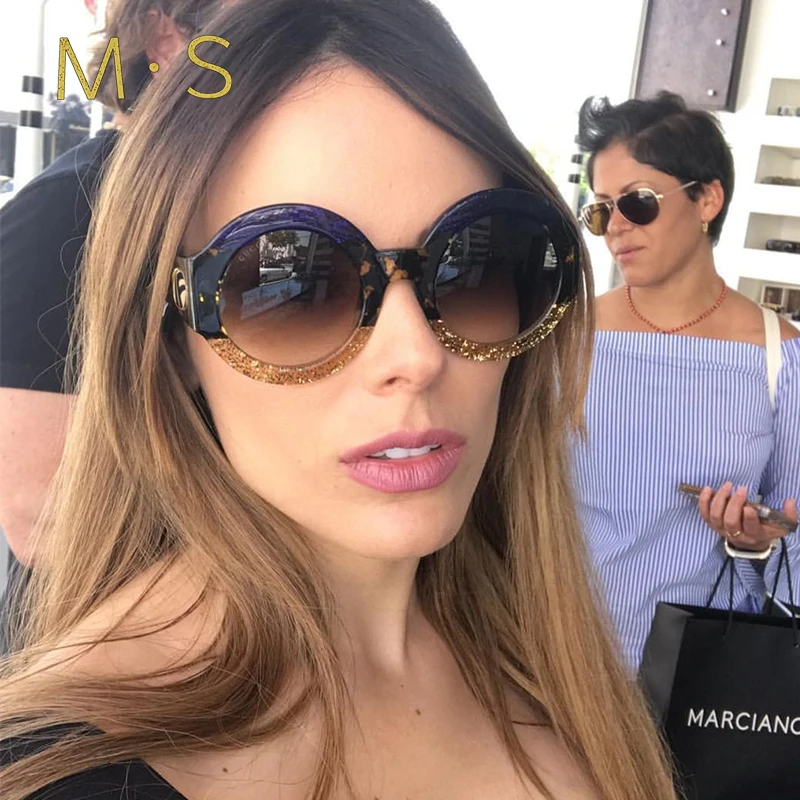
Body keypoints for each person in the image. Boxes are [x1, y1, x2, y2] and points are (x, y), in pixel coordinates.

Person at [0, 2, 679, 798]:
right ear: (171, 338)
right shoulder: (62, 771)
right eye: (294, 283)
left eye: (474, 265)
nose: (416, 357)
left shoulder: (557, 668)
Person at [0, 0, 222, 652]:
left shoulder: (225, 197)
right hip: (114, 656)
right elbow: (44, 519)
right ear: (167, 38)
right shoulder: (65, 213)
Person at [571, 91, 800, 670]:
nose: (615, 227)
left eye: (638, 202)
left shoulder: (780, 358)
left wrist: (757, 542)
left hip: (690, 675)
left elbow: (794, 538)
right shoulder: (567, 338)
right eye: (600, 211)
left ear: (707, 199)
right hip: (546, 655)